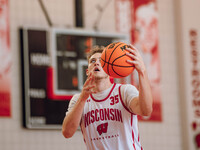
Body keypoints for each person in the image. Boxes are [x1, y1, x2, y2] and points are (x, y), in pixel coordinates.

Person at [62, 44, 153, 150]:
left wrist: (142, 72)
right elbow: (67, 133)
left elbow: (146, 110)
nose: (96, 63)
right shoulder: (78, 99)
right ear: (87, 71)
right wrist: (83, 99)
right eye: (92, 61)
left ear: (109, 68)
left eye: (101, 61)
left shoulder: (124, 92)